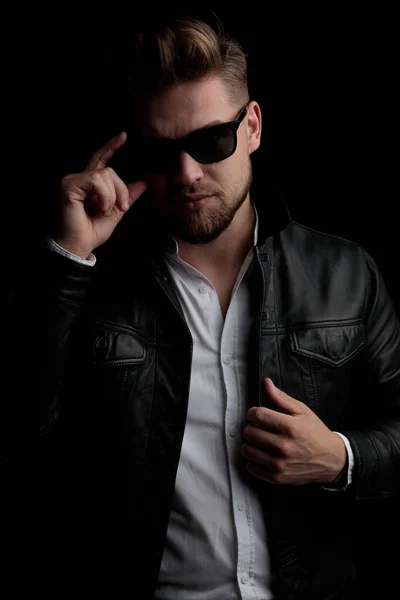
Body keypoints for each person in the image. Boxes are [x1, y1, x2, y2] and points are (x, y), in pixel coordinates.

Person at [22, 14, 399, 600]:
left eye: (210, 141)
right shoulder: (94, 282)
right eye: (161, 151)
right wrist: (69, 259)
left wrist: (338, 458)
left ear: (251, 127)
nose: (187, 173)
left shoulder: (345, 273)